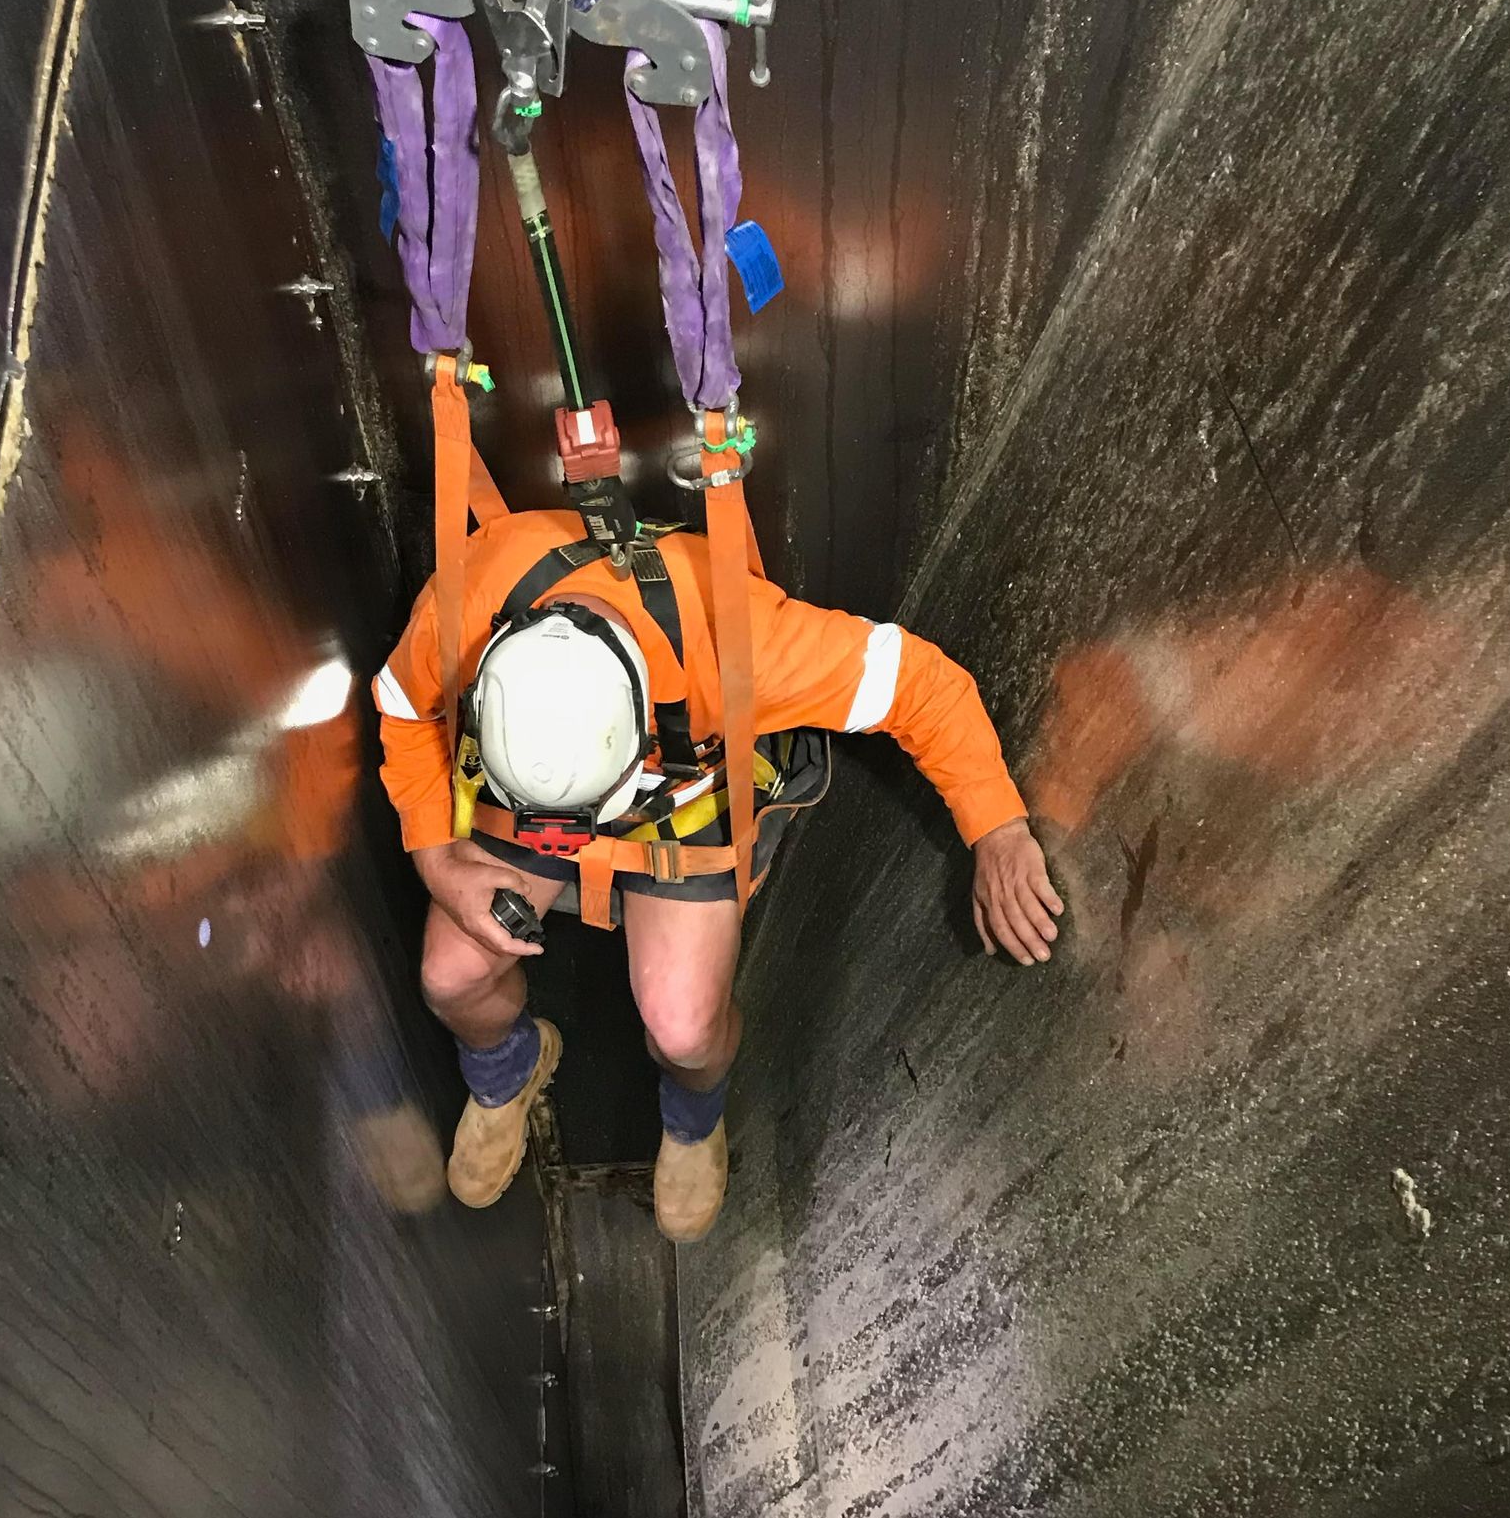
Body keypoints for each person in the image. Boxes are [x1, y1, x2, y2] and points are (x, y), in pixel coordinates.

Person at [374, 500, 1062, 1243]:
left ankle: (694, 1118)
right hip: (525, 799)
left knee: (685, 1027)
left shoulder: (742, 643)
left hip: (683, 789)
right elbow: (404, 712)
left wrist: (997, 826)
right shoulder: (466, 609)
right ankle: (507, 1069)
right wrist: (440, 862)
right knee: (449, 976)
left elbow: (919, 684)